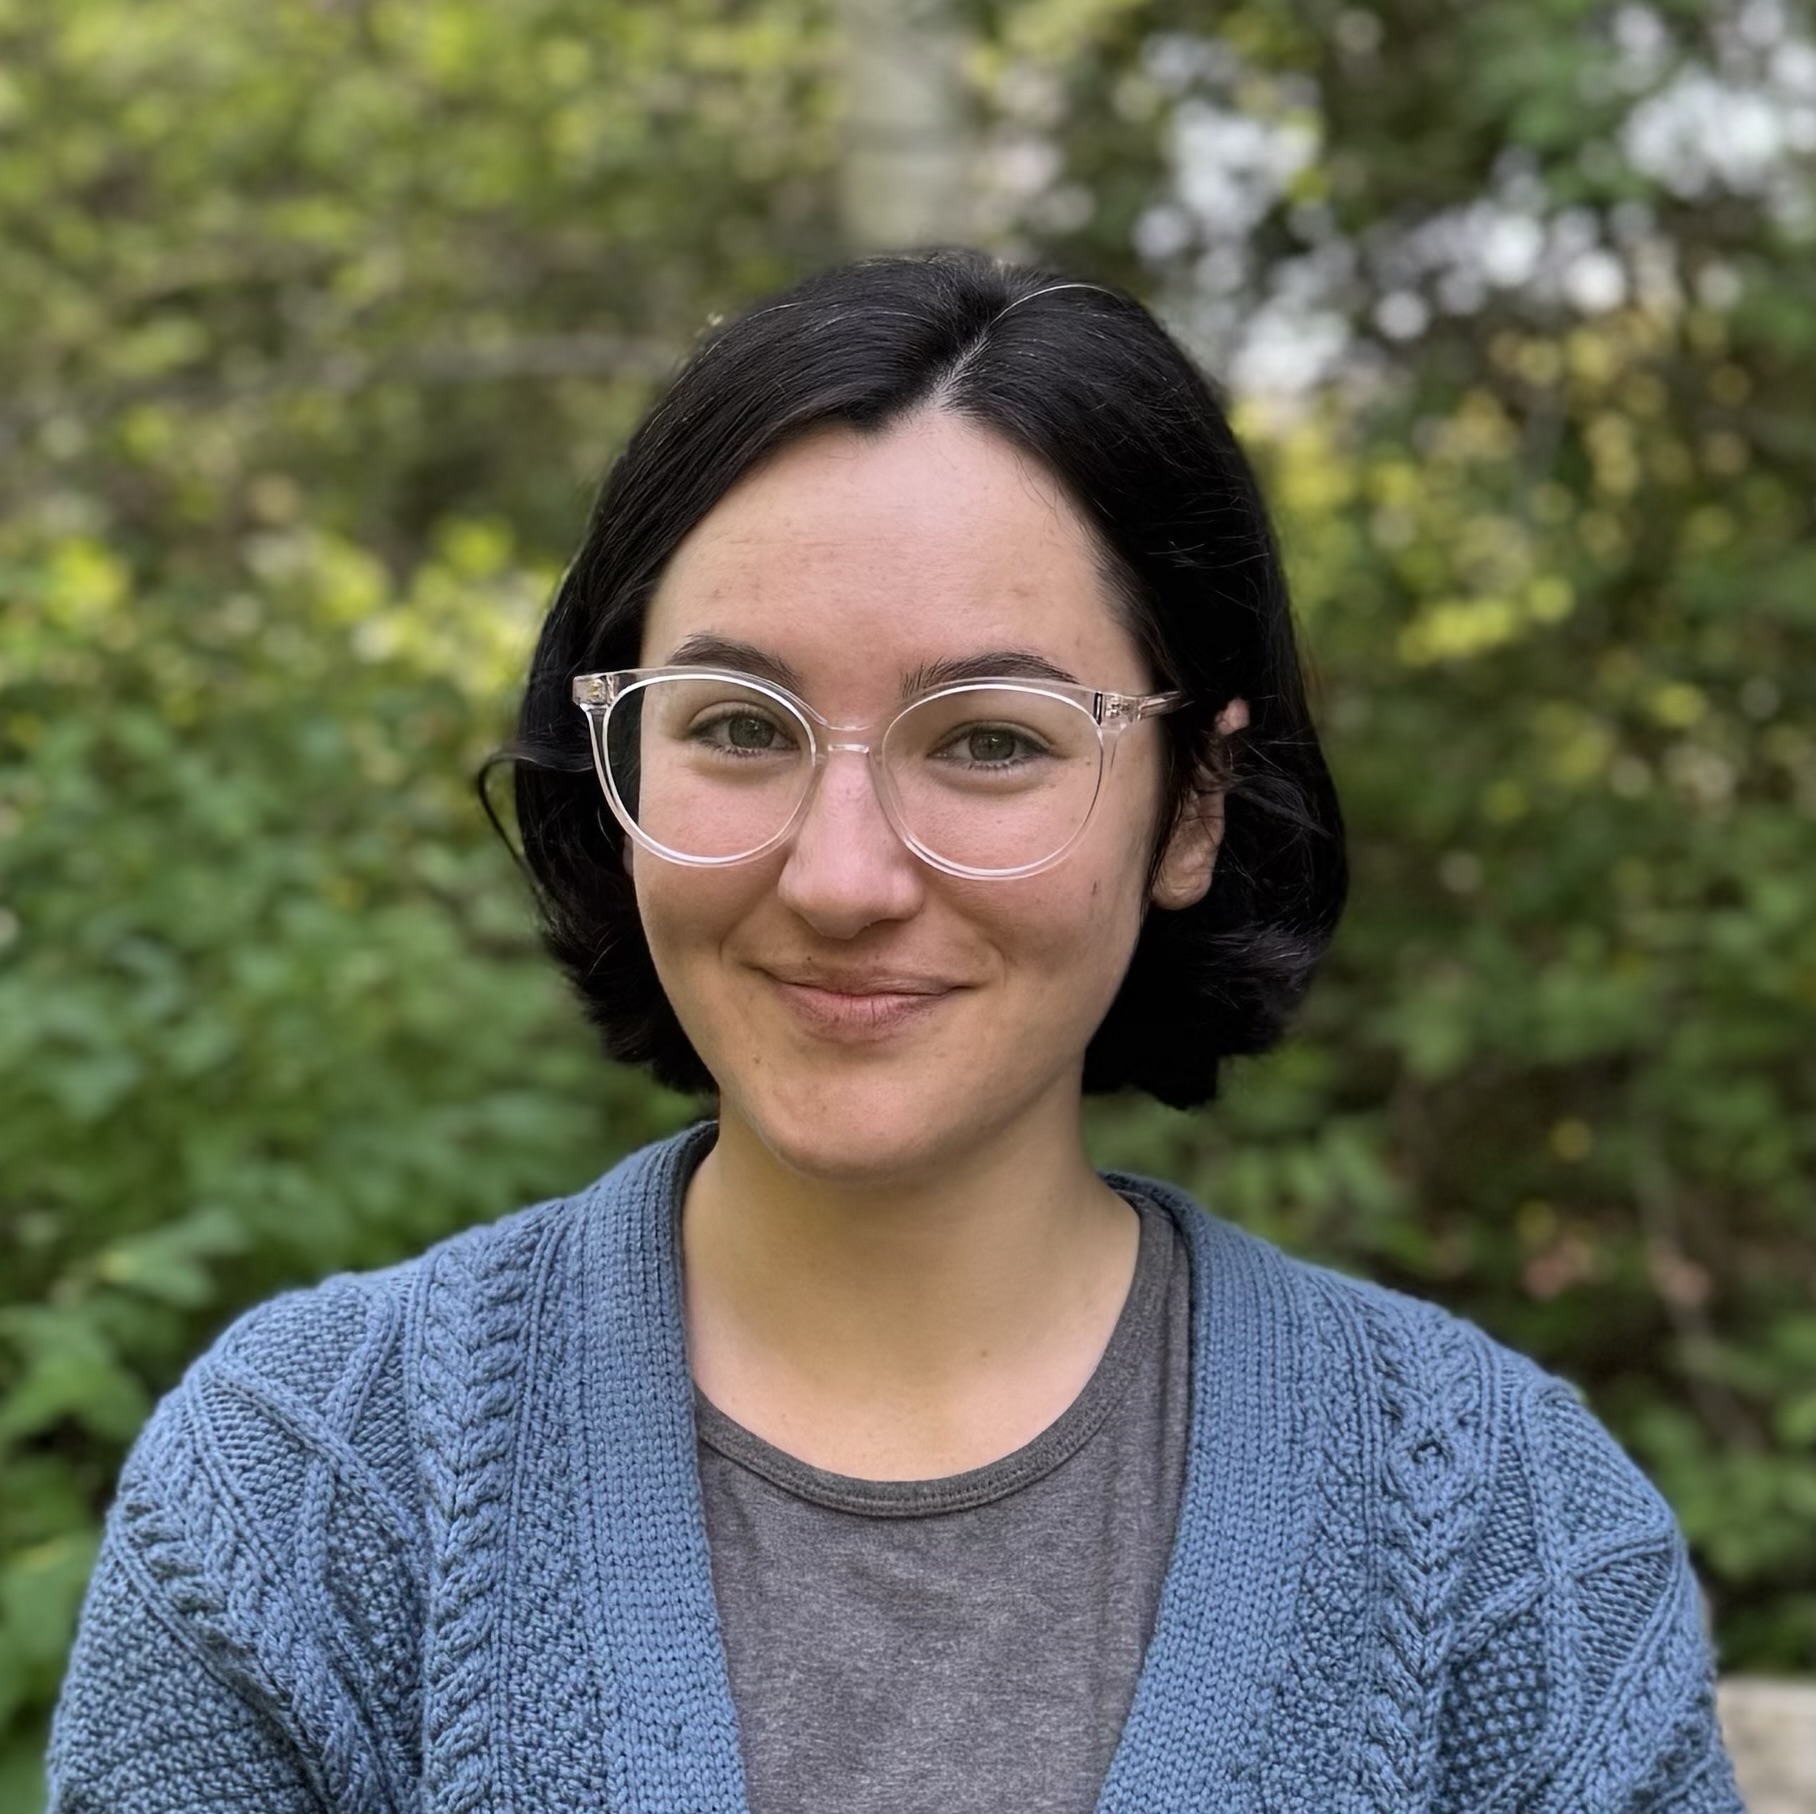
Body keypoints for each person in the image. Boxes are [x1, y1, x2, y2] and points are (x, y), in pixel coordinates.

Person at [47, 250, 1744, 1814]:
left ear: (1193, 803)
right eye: (737, 724)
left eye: (991, 740)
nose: (841, 875)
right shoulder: (306, 1493)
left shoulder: (1506, 1534)